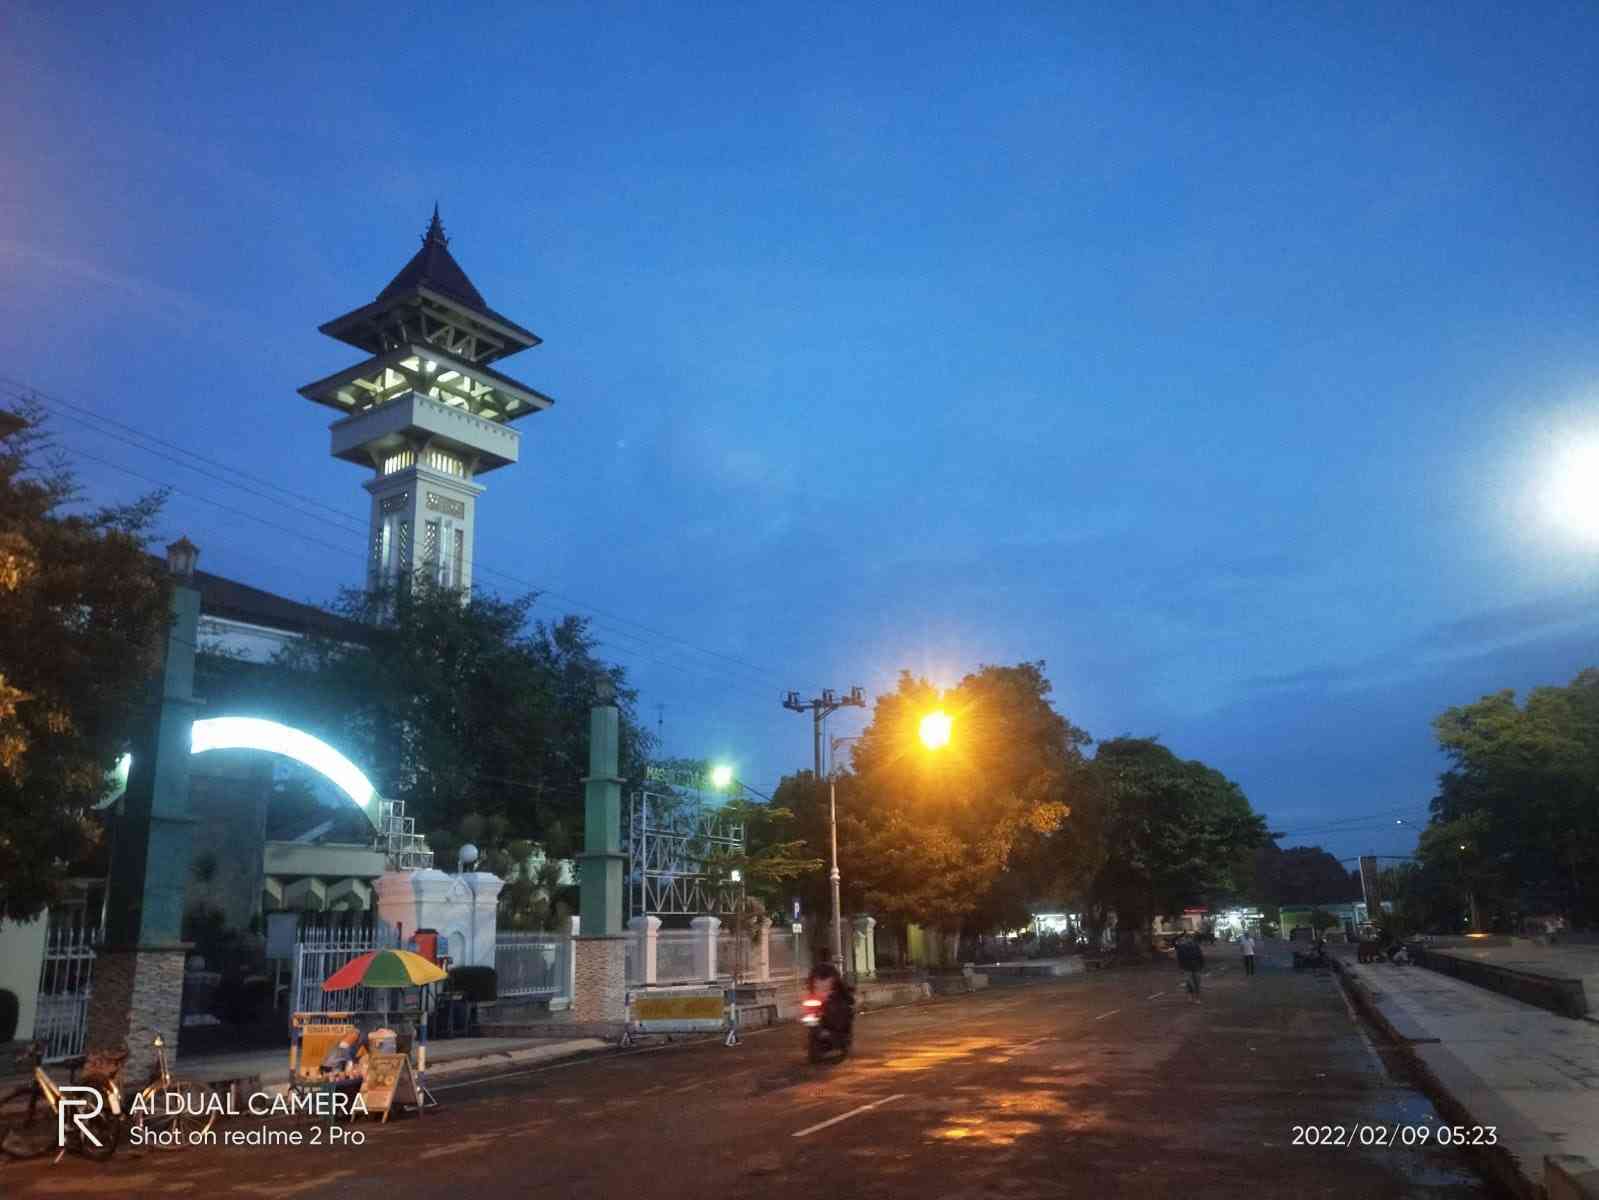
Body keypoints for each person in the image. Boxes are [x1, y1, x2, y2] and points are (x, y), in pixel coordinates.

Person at [1175, 932, 1205, 1002]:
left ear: (1191, 939)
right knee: (1189, 982)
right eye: (1186, 939)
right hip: (1186, 968)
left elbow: (1200, 956)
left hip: (1196, 967)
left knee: (1197, 982)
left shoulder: (1196, 946)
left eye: (1189, 939)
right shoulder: (1181, 947)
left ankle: (1197, 997)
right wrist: (1181, 967)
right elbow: (1179, 958)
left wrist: (1201, 965)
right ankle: (1190, 995)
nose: (1188, 940)